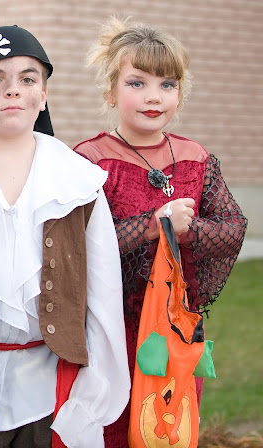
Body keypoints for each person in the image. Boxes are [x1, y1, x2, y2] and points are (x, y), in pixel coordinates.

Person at [0, 25, 130, 448]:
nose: (12, 90)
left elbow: (104, 296)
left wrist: (92, 401)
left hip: (53, 391)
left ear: (44, 94)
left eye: (27, 79)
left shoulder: (78, 182)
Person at [73, 17, 248, 447]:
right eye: (137, 83)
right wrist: (153, 226)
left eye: (167, 85)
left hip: (173, 327)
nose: (154, 97)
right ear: (111, 91)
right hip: (111, 330)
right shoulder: (90, 160)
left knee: (168, 428)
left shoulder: (195, 158)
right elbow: (77, 248)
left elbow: (233, 230)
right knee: (112, 429)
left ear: (180, 94)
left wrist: (187, 233)